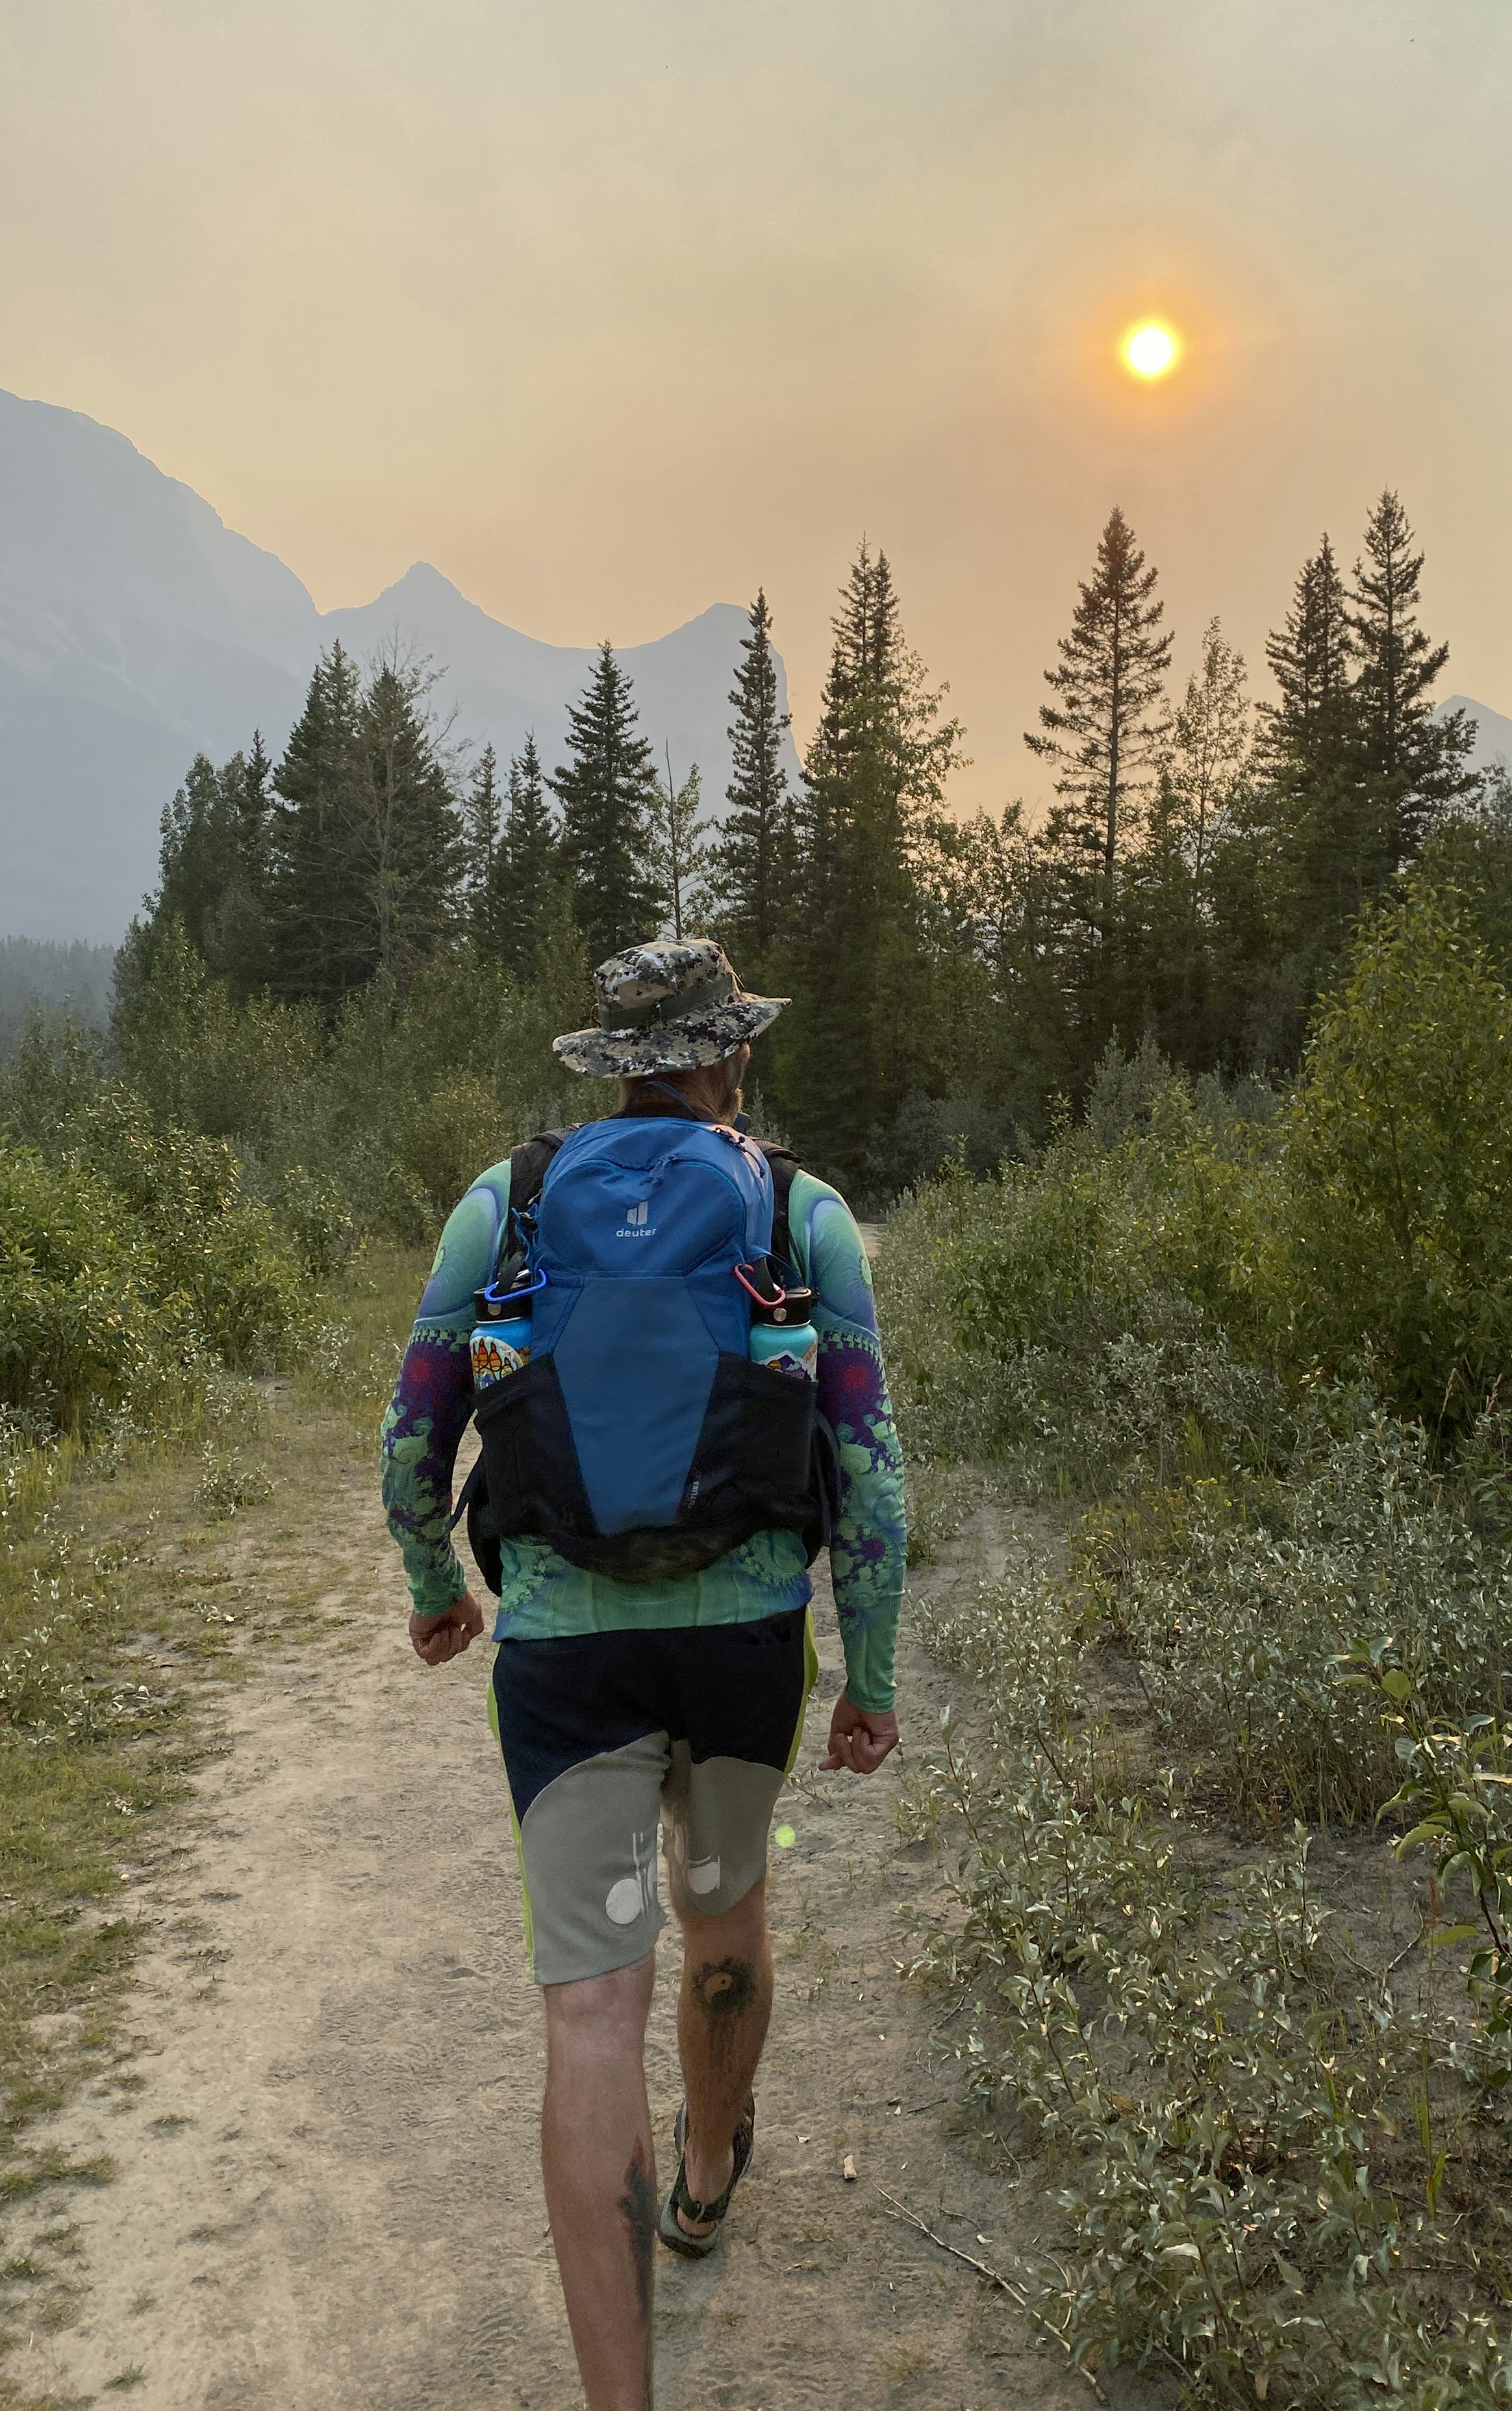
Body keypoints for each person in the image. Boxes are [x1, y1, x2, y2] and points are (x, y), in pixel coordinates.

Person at [379, 938, 905, 2411]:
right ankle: (713, 2168)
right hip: (741, 1646)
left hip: (563, 1659)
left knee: (591, 2011)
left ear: (613, 1063)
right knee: (724, 1908)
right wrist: (870, 1672)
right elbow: (868, 1468)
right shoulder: (803, 1212)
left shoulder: (513, 1203)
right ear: (727, 1054)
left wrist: (437, 1590)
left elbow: (410, 1439)